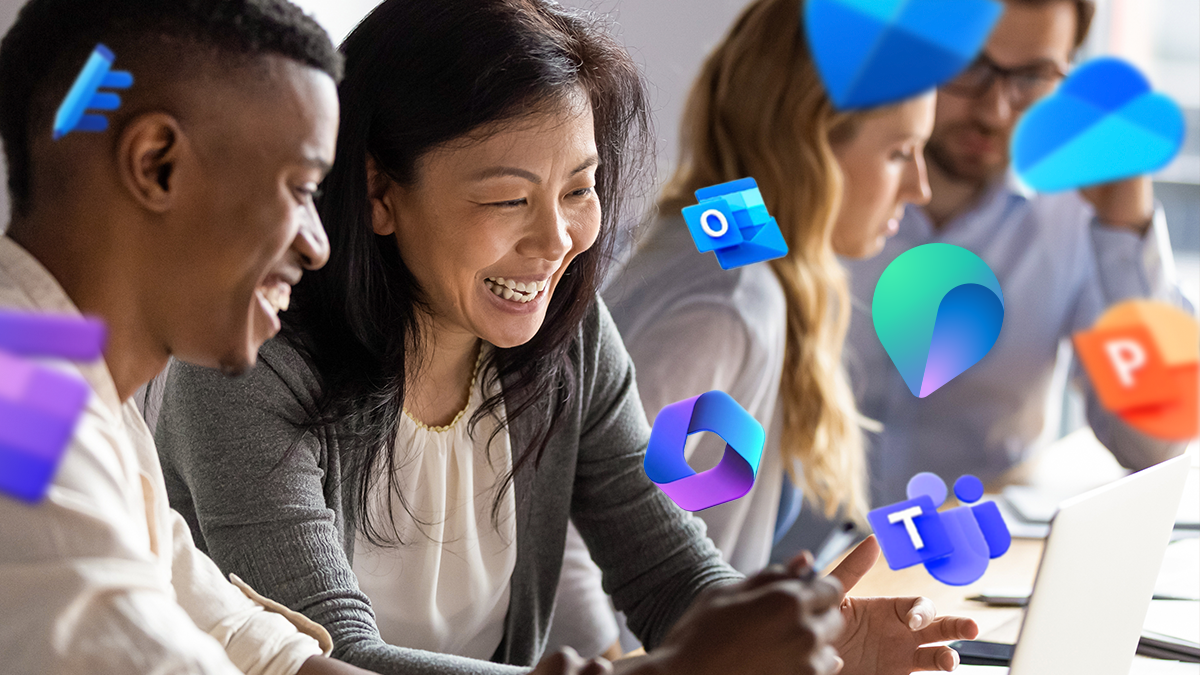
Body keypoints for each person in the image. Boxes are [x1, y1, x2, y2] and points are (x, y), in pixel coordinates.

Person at [153, 0, 978, 674]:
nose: (556, 241)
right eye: (509, 199)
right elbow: (336, 657)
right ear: (377, 190)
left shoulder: (566, 338)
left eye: (579, 189)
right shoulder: (248, 362)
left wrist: (801, 640)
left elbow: (668, 570)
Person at [550, 0, 939, 658]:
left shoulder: (725, 236)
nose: (921, 187)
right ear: (811, 140)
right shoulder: (728, 305)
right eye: (901, 152)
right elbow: (566, 541)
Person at [0, 0, 380, 672]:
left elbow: (230, 630)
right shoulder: (21, 397)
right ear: (157, 165)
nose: (317, 245)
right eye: (301, 187)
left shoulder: (72, 385)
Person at [840, 0, 1191, 506]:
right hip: (785, 562)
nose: (994, 110)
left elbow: (1154, 446)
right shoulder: (812, 174)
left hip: (964, 556)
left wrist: (1125, 228)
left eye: (1032, 77)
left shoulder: (1078, 212)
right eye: (967, 66)